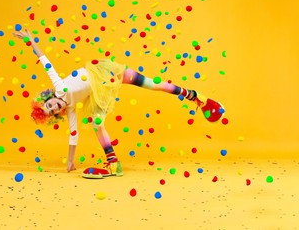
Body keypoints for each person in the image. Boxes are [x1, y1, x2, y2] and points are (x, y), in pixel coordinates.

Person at [13, 29, 224, 179]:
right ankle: (114, 163)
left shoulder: (59, 86)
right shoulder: (68, 109)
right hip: (104, 89)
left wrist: (30, 42)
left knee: (151, 84)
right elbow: (74, 133)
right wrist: (70, 161)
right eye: (52, 111)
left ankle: (194, 96)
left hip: (108, 72)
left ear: (49, 98)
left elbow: (46, 62)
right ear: (56, 115)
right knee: (96, 122)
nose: (55, 107)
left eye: (50, 105)